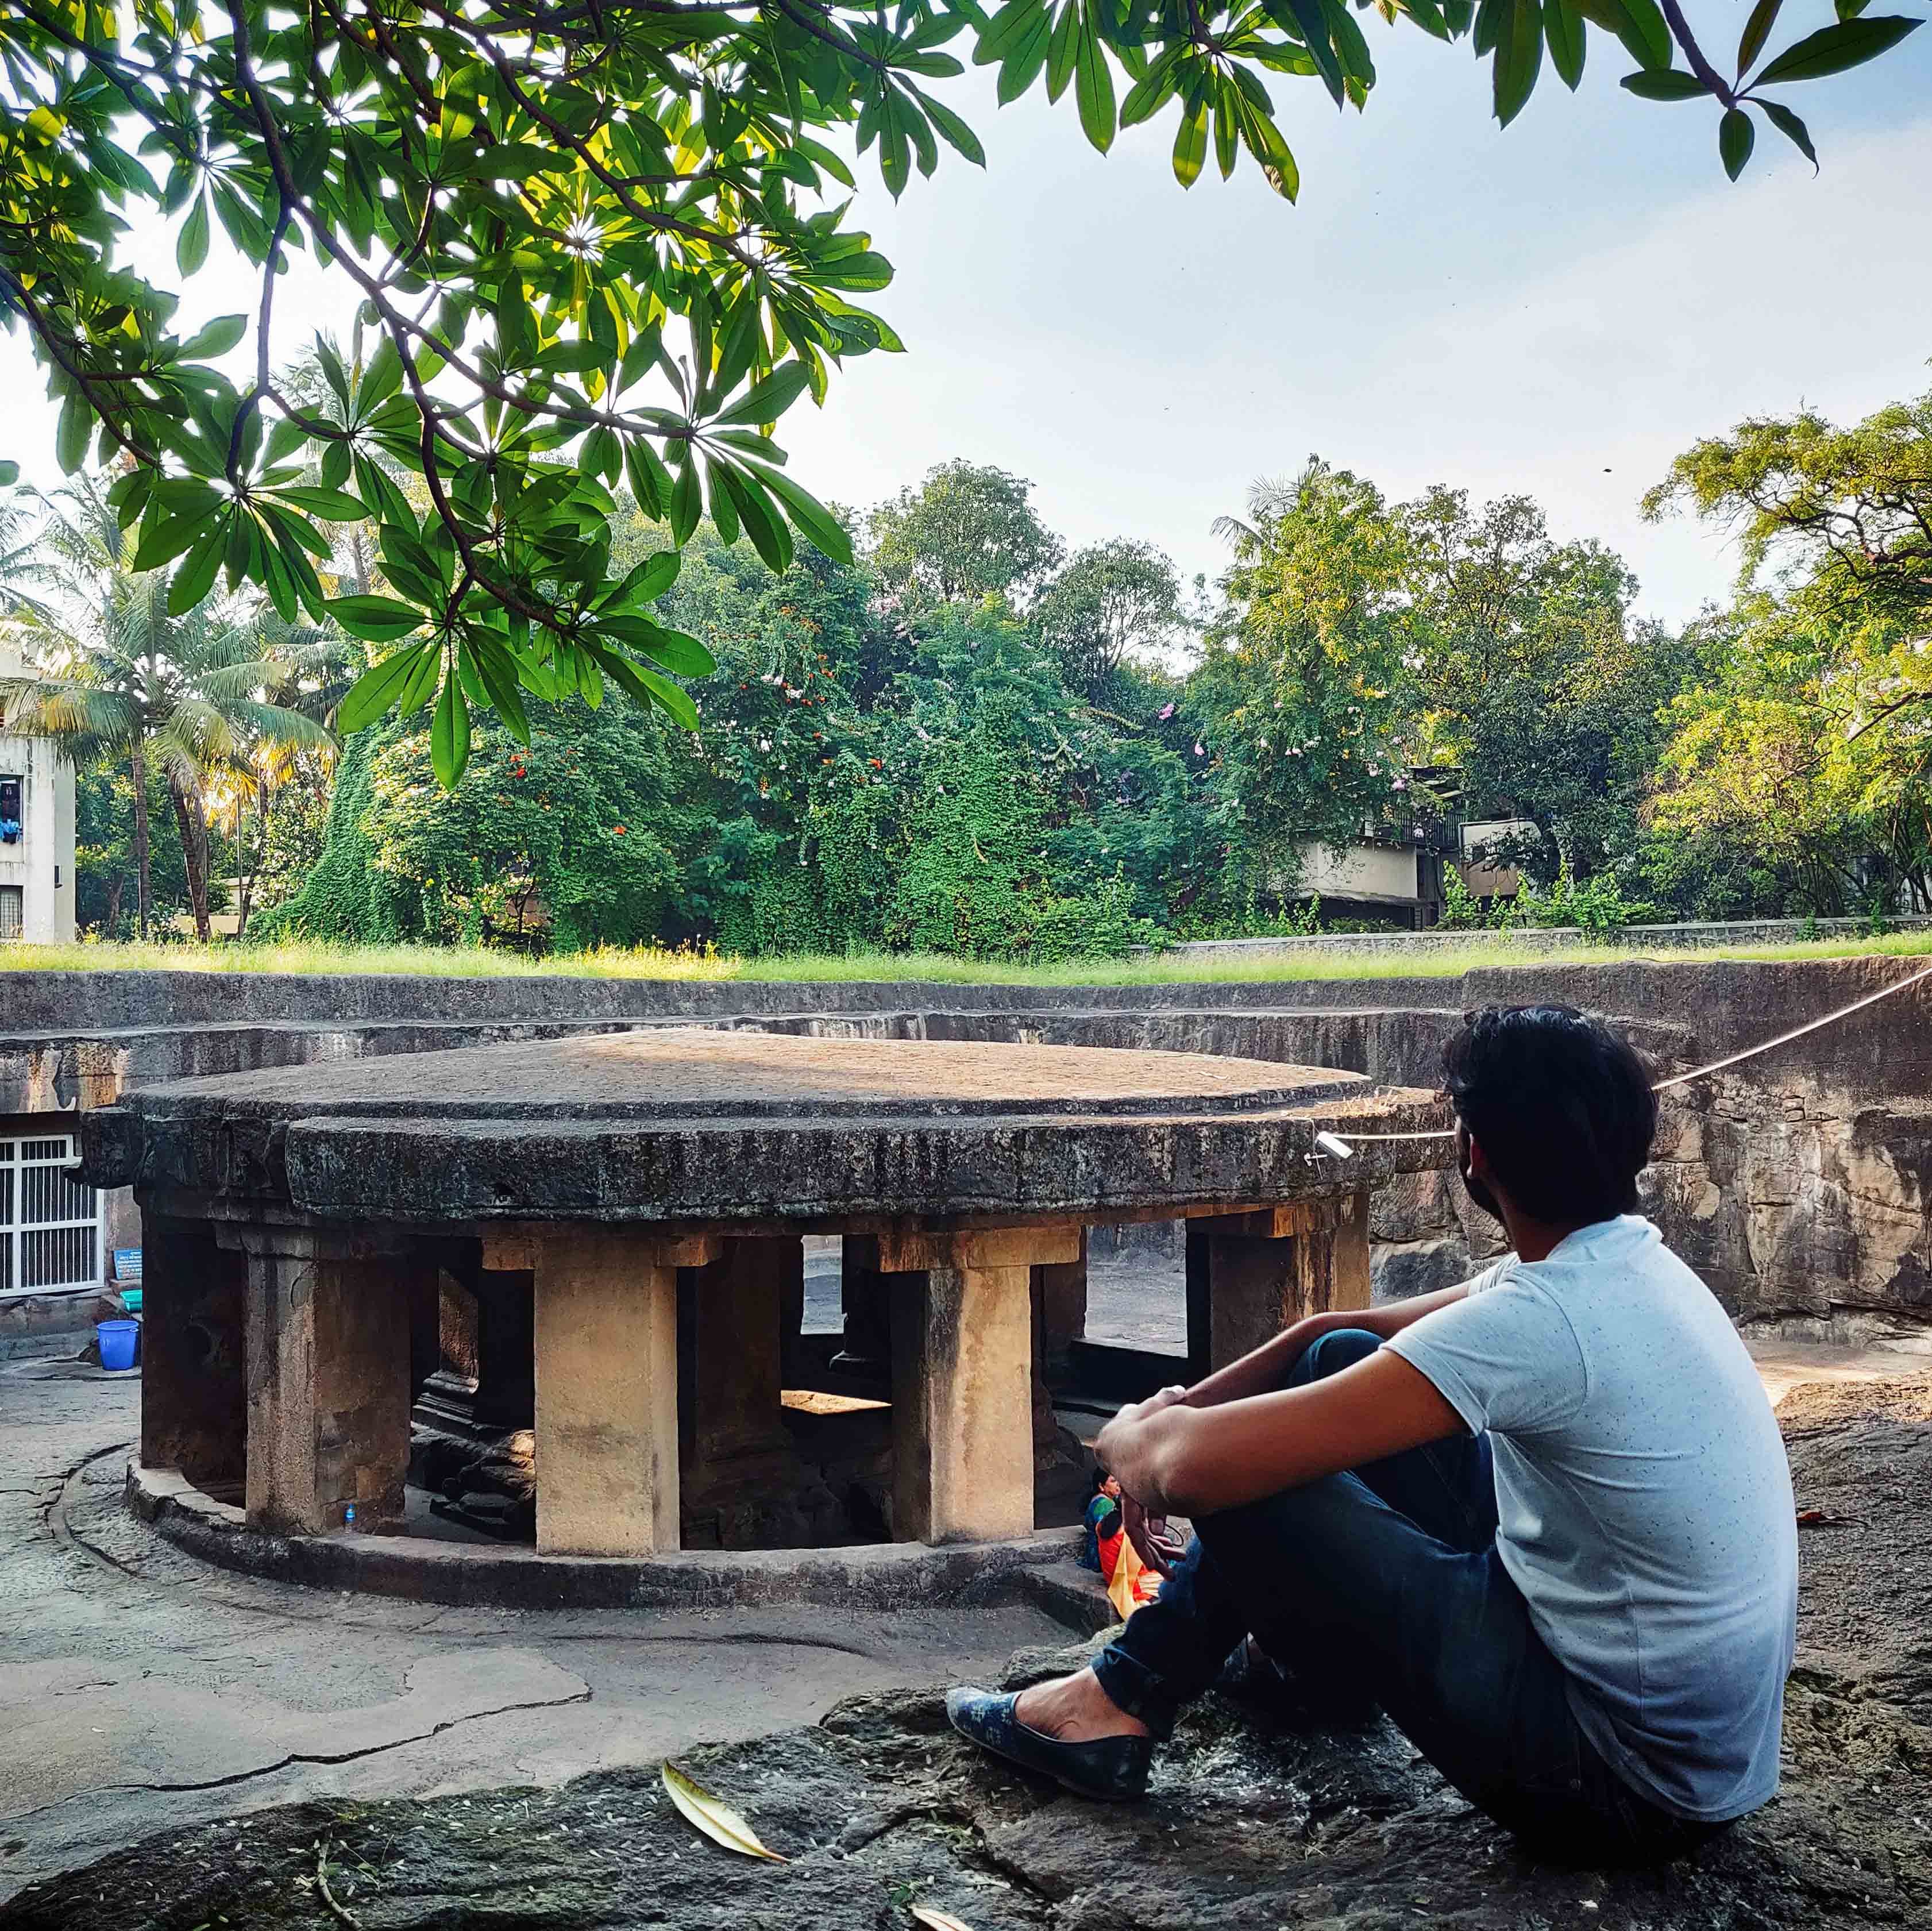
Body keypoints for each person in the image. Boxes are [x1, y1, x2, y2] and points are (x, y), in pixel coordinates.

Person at [947, 1004, 1799, 1866]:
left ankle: (1118, 1699)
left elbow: (1192, 1473)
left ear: (1475, 1155)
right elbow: (1344, 1327)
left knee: (1255, 1475)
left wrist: (1128, 1442)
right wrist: (1185, 1404)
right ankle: (1300, 1664)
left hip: (1619, 1780)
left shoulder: (1542, 1322)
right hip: (1687, 1747)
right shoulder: (1621, 1262)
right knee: (1339, 1358)